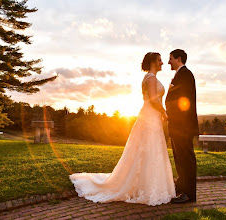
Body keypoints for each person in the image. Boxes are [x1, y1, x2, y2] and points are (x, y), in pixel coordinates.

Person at [69, 52, 176, 206]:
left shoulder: (151, 78)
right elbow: (153, 99)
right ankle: (145, 187)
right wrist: (164, 112)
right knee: (148, 148)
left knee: (150, 150)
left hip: (152, 117)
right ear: (152, 62)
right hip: (150, 117)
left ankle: (148, 185)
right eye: (159, 60)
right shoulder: (151, 78)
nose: (162, 63)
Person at [165, 49, 199, 204]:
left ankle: (189, 194)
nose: (168, 62)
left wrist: (171, 116)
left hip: (182, 126)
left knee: (186, 160)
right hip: (177, 126)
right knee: (180, 159)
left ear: (178, 59)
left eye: (170, 58)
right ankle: (181, 186)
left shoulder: (185, 74)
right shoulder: (181, 74)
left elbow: (183, 102)